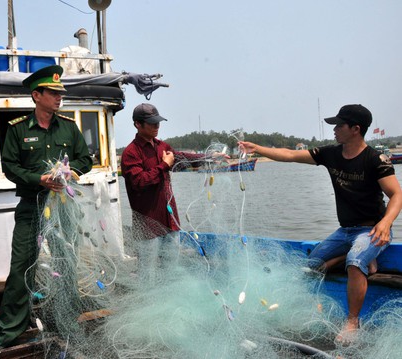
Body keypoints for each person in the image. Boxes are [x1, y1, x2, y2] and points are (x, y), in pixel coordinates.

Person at [238, 104, 402, 343]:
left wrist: (386, 223)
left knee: (355, 261)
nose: (334, 129)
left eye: (339, 125)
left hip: (371, 229)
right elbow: (291, 155)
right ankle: (365, 261)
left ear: (356, 129)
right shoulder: (331, 153)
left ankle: (352, 322)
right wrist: (257, 149)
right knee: (312, 262)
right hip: (345, 231)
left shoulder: (376, 159)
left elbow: (396, 194)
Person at [0, 65, 93, 348]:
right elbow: (10, 167)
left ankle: (68, 322)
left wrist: (70, 172)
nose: (59, 96)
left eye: (60, 92)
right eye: (53, 92)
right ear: (37, 95)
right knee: (21, 266)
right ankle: (10, 331)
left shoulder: (69, 127)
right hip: (31, 205)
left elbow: (85, 160)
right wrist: (39, 179)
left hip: (62, 207)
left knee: (66, 262)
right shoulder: (17, 130)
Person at [120, 103, 224, 284]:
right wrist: (164, 165)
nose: (156, 126)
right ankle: (149, 305)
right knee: (147, 273)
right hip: (147, 226)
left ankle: (168, 302)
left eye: (158, 122)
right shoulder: (131, 153)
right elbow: (140, 182)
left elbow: (182, 159)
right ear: (137, 124)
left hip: (170, 221)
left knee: (171, 270)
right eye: (151, 123)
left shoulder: (162, 146)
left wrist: (210, 158)